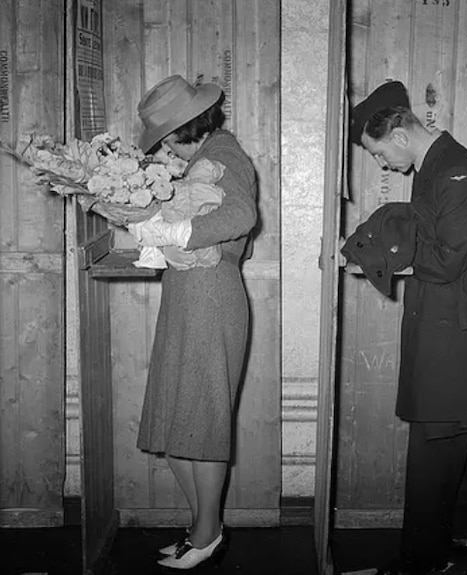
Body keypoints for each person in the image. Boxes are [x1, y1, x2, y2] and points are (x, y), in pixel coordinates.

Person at [349, 81, 467, 575]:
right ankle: (464, 533)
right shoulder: (435, 166)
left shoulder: (454, 173)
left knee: (440, 430)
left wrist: (378, 259)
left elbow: (447, 259)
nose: (381, 164)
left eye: (378, 152)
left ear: (401, 135)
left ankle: (422, 559)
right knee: (465, 423)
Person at [127, 74, 258, 571]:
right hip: (190, 297)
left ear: (183, 129)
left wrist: (180, 229)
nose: (164, 152)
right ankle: (204, 528)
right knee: (180, 424)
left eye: (163, 141)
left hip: (209, 299)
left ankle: (206, 533)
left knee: (199, 424)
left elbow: (240, 215)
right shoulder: (211, 155)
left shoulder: (221, 155)